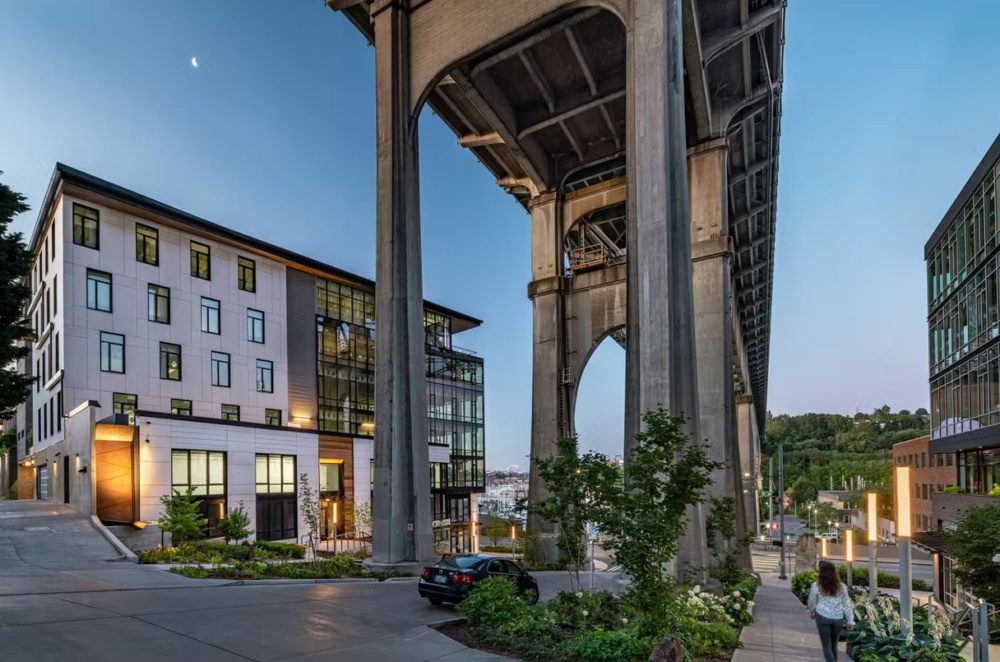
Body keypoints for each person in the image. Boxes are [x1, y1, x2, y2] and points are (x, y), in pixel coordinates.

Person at [807, 560, 855, 662]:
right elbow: (847, 604)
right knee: (834, 646)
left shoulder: (816, 585)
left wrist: (812, 612)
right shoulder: (842, 587)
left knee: (826, 646)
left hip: (822, 617)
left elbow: (811, 601)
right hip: (838, 619)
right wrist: (850, 621)